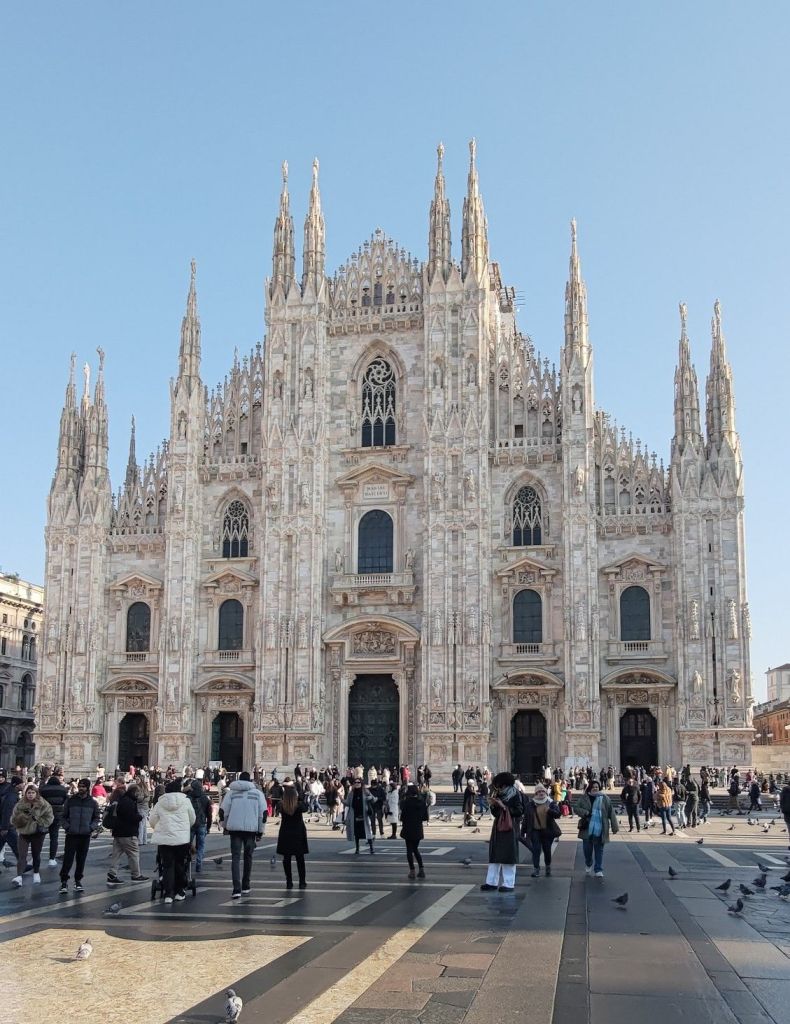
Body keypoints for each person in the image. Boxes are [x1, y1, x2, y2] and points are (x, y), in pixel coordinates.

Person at [220, 770, 267, 899]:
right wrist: (260, 831)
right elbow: (262, 814)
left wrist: (225, 826)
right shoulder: (257, 794)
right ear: (250, 780)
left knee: (235, 858)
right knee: (248, 857)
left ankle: (236, 889)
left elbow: (223, 811)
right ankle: (246, 885)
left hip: (235, 830)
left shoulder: (231, 793)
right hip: (251, 830)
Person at [149, 779, 195, 903]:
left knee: (167, 865)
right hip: (182, 839)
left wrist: (159, 828)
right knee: (180, 864)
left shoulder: (160, 802)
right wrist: (185, 828)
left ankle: (168, 894)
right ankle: (179, 891)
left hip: (164, 839)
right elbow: (192, 819)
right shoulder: (186, 801)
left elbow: (152, 820)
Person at [480, 772, 523, 892]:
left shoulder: (515, 794)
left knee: (508, 856)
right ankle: (491, 882)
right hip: (498, 827)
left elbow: (519, 810)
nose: (499, 787)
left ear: (505, 784)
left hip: (510, 828)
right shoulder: (498, 794)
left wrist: (503, 806)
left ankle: (508, 883)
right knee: (495, 855)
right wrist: (493, 805)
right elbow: (495, 814)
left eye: (500, 785)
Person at [59, 778, 101, 893]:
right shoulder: (71, 800)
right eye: (80, 786)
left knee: (81, 859)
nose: (81, 788)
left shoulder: (93, 803)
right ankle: (64, 881)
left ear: (87, 788)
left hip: (85, 835)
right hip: (72, 834)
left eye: (83, 786)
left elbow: (96, 817)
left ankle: (78, 881)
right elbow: (63, 816)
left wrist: (91, 827)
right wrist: (67, 827)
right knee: (68, 859)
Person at [11, 784, 54, 886]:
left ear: (36, 793)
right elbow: (13, 818)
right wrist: (20, 819)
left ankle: (36, 873)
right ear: (25, 794)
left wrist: (38, 820)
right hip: (24, 833)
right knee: (22, 855)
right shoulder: (20, 804)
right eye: (28, 793)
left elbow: (50, 818)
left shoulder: (44, 804)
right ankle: (19, 877)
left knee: (36, 854)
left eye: (33, 792)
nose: (30, 795)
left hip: (37, 833)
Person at [106, 782, 149, 885]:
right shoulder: (129, 802)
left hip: (118, 832)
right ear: (134, 792)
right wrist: (139, 817)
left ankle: (112, 874)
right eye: (137, 792)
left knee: (116, 855)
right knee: (134, 854)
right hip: (128, 833)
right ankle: (136, 874)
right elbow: (131, 817)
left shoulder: (123, 800)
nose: (138, 794)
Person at [575, 778, 618, 878]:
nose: (595, 788)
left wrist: (614, 826)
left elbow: (611, 813)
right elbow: (576, 808)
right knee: (587, 850)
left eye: (597, 787)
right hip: (587, 829)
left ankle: (598, 869)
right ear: (590, 788)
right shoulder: (584, 798)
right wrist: (585, 813)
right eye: (593, 787)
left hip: (601, 828)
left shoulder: (605, 798)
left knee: (599, 850)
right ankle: (589, 862)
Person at [522, 783, 561, 877]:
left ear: (546, 792)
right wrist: (523, 831)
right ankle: (536, 869)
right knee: (536, 850)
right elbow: (526, 819)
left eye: (543, 791)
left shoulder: (550, 802)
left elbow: (558, 814)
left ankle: (548, 866)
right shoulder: (530, 804)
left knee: (547, 850)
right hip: (535, 831)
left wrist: (549, 811)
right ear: (535, 793)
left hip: (547, 831)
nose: (541, 793)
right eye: (538, 791)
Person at [277, 782, 309, 889]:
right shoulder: (299, 806)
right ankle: (302, 881)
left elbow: (278, 809)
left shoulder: (281, 805)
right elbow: (306, 807)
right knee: (300, 858)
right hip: (298, 832)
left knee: (287, 858)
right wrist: (300, 798)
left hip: (285, 832)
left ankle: (289, 881)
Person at [39, 767, 69, 867]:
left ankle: (36, 856)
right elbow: (66, 801)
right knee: (54, 837)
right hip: (57, 815)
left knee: (40, 836)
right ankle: (52, 859)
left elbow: (39, 802)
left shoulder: (44, 789)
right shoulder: (63, 789)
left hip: (45, 815)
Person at [400, 783, 429, 879]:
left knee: (409, 850)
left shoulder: (406, 802)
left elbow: (402, 817)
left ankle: (412, 871)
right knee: (415, 849)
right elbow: (425, 817)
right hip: (418, 828)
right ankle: (421, 870)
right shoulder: (421, 802)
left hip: (408, 828)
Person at [185, 778, 211, 872]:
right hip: (202, 824)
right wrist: (208, 826)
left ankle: (187, 862)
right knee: (201, 846)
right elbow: (209, 814)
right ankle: (199, 863)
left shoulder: (188, 798)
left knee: (187, 845)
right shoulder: (205, 798)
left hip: (191, 824)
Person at [344, 777, 375, 854]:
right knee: (356, 833)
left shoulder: (365, 791)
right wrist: (341, 799)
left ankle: (371, 848)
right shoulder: (351, 793)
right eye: (355, 782)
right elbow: (347, 803)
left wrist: (370, 797)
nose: (357, 784)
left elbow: (373, 799)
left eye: (358, 782)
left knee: (367, 832)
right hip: (355, 815)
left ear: (361, 783)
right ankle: (357, 848)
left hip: (364, 815)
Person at [0, 769, 20, 868]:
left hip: (6, 821)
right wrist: (5, 826)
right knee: (16, 845)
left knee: (16, 845)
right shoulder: (10, 789)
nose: (0, 779)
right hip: (6, 823)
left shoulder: (8, 788)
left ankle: (22, 865)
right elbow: (7, 809)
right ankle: (23, 865)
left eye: (2, 777)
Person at [780, 779, 790, 847]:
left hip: (787, 813)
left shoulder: (784, 791)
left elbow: (781, 802)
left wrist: (783, 809)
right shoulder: (785, 791)